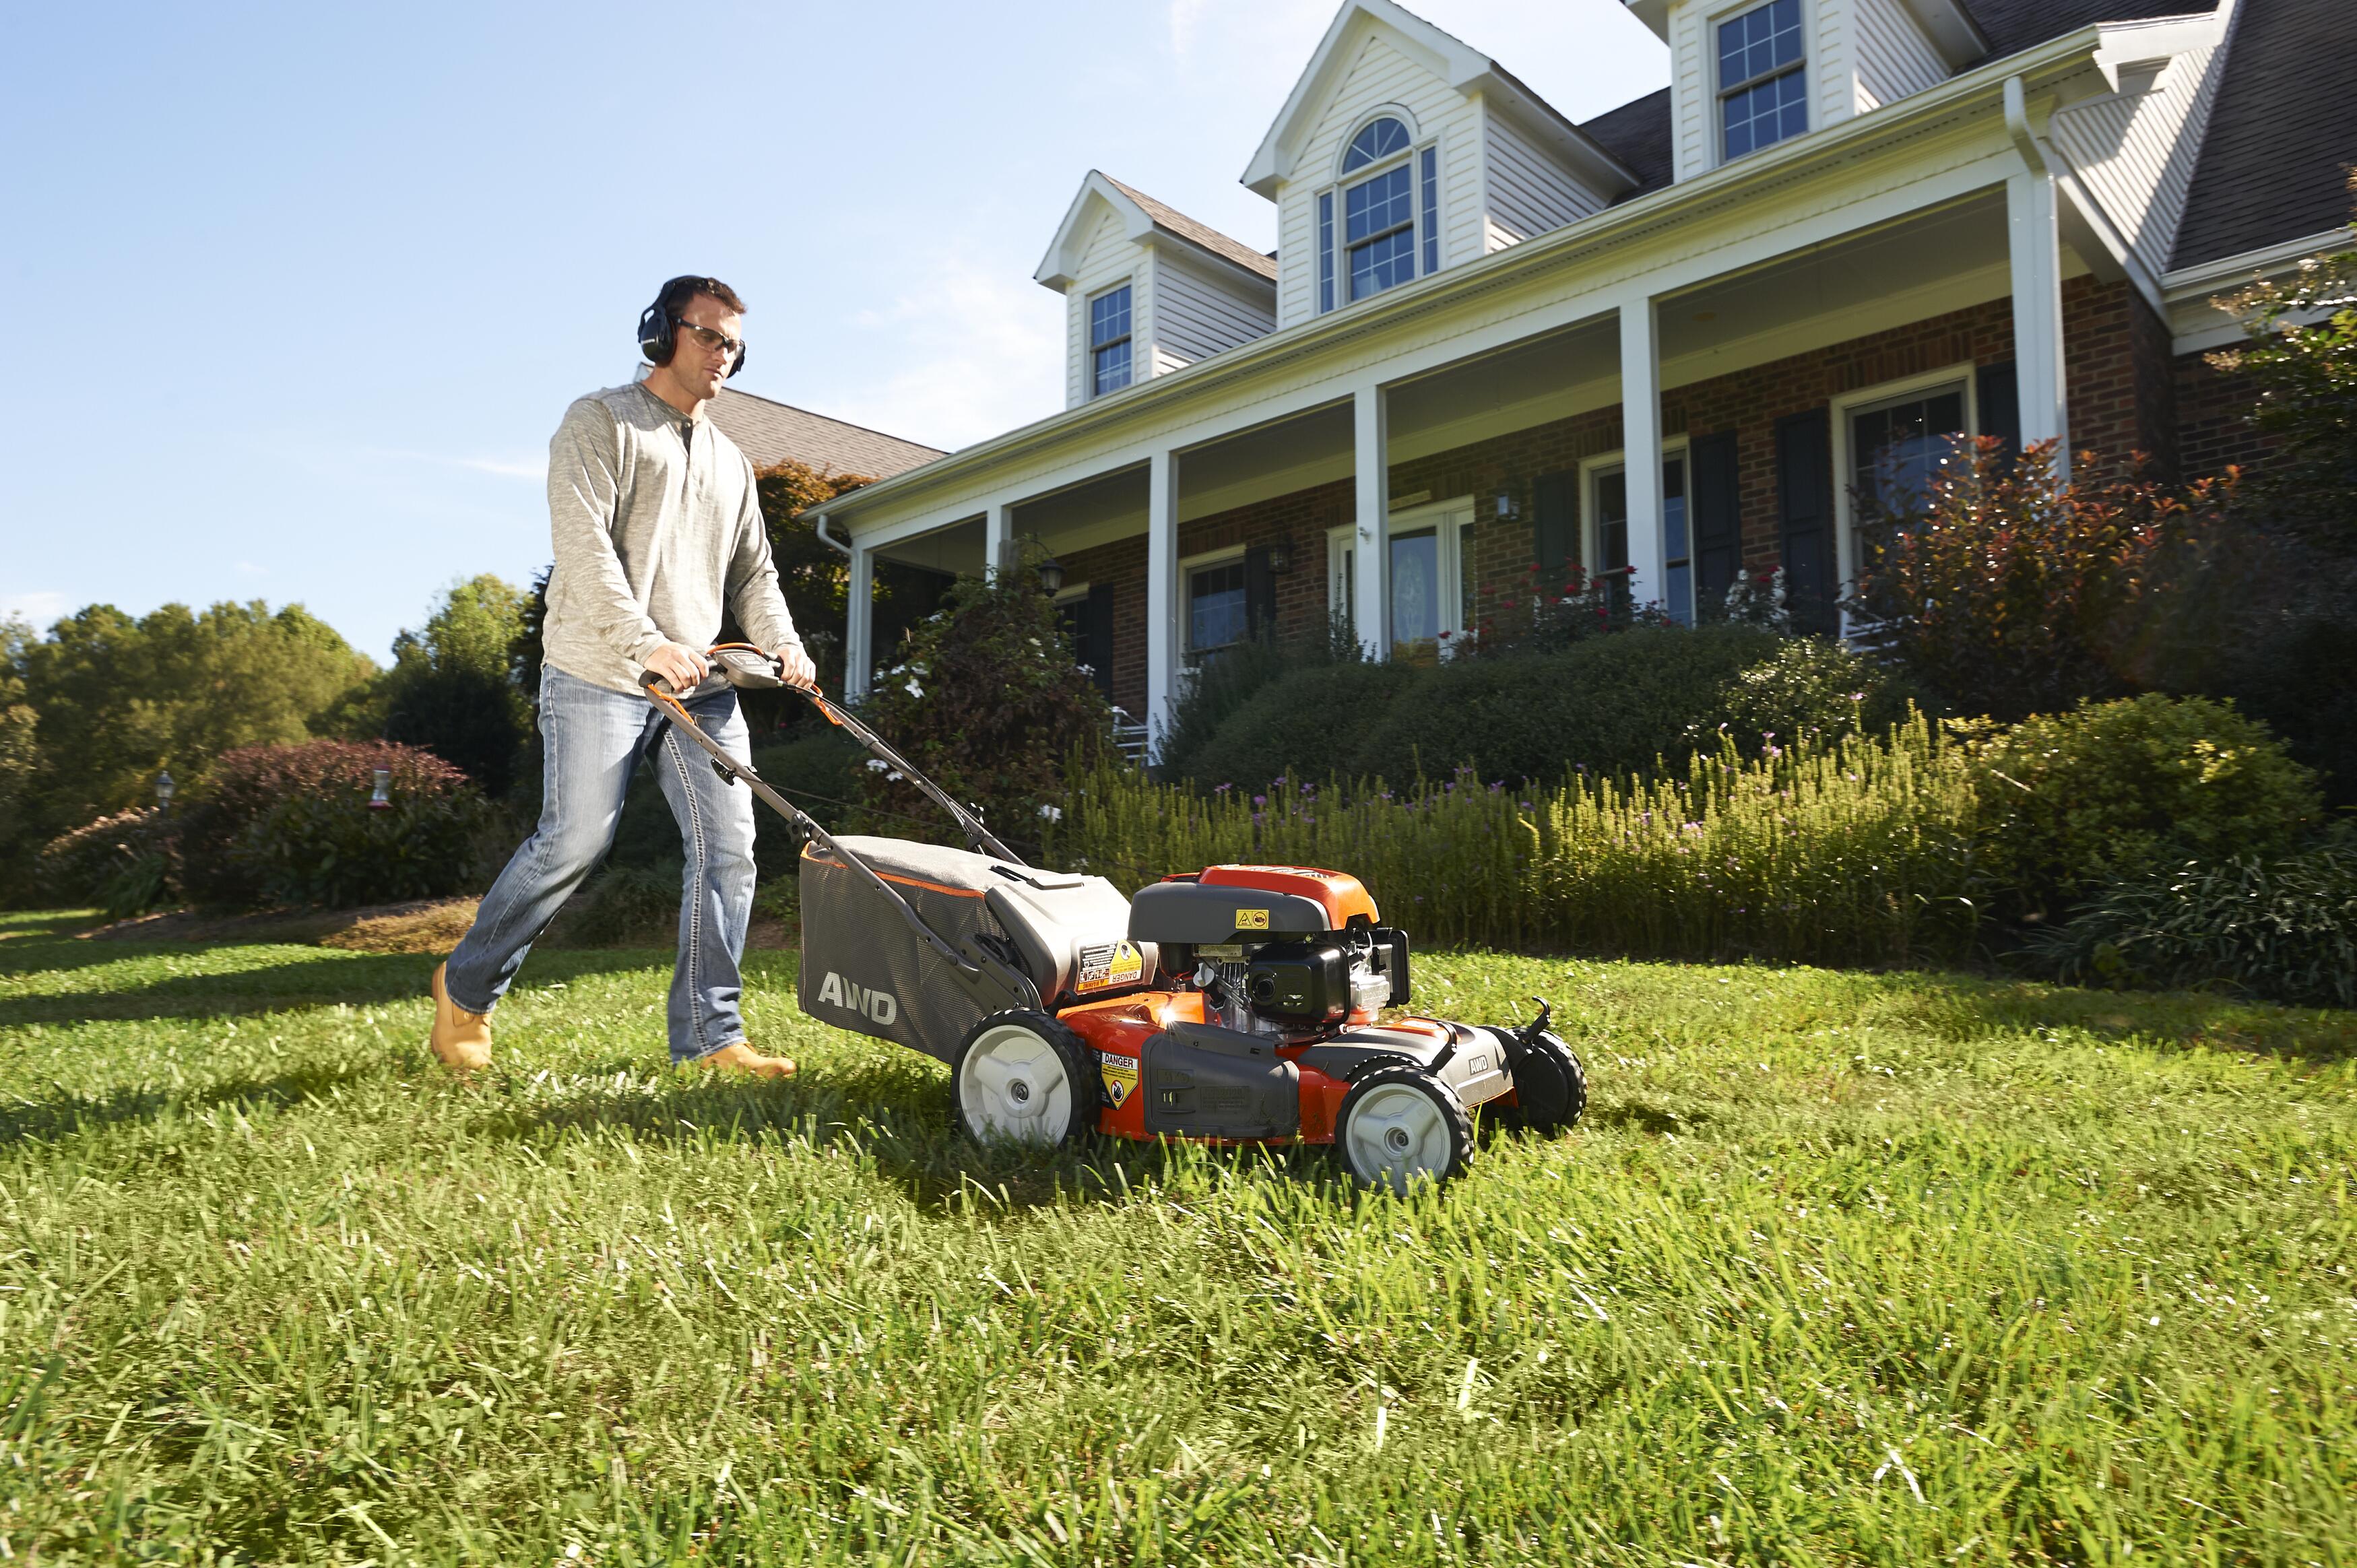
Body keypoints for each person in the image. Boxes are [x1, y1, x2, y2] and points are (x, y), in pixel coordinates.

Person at [427, 275, 816, 1078]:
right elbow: (584, 547)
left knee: (729, 848)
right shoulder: (600, 421)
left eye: (735, 345)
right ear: (662, 333)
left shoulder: (729, 462)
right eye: (710, 336)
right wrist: (645, 643)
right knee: (574, 840)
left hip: (700, 686)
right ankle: (465, 990)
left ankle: (712, 1039)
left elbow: (754, 574)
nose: (724, 355)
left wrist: (783, 645)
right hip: (599, 669)